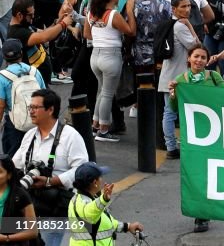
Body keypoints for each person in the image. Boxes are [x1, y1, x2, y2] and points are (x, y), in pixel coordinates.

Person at [14, 88, 88, 246]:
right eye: (30, 107)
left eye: (35, 107)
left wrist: (51, 181)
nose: (31, 111)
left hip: (56, 206)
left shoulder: (70, 136)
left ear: (50, 109)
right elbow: (14, 165)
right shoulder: (29, 136)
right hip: (30, 205)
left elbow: (82, 169)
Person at [169, 44, 224, 233]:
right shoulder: (180, 80)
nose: (199, 60)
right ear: (189, 58)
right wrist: (173, 94)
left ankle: (208, 210)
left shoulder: (214, 77)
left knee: (213, 174)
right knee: (197, 176)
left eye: (203, 57)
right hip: (193, 137)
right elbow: (174, 109)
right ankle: (200, 215)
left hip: (215, 133)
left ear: (207, 61)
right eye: (196, 56)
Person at [84, 0, 135, 143]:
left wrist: (101, 38)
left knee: (102, 91)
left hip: (95, 56)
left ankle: (95, 125)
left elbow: (87, 34)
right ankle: (104, 130)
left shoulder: (91, 13)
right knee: (107, 93)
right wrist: (130, 11)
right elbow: (130, 31)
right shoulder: (113, 14)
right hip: (111, 56)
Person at [157, 0, 200, 159]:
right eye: (183, 6)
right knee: (172, 112)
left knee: (171, 112)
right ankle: (172, 147)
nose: (187, 9)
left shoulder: (173, 24)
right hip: (177, 78)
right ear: (174, 9)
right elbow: (195, 45)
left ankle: (172, 145)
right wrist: (189, 25)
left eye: (189, 6)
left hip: (171, 76)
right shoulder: (180, 26)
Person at [67, 162, 143, 245]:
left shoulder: (90, 198)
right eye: (100, 177)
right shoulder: (82, 203)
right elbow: (89, 213)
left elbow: (106, 222)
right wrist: (103, 199)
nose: (102, 179)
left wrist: (127, 227)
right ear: (95, 182)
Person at [7, 0, 74, 88]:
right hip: (33, 85)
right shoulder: (17, 33)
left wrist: (57, 22)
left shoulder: (24, 25)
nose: (33, 17)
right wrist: (63, 24)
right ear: (19, 15)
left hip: (40, 81)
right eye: (30, 15)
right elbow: (44, 37)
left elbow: (43, 32)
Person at [0, 38, 46, 155]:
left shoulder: (2, 77)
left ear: (4, 56)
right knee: (35, 154)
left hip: (14, 123)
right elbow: (45, 95)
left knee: (13, 157)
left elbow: (1, 105)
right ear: (21, 53)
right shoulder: (34, 71)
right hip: (36, 120)